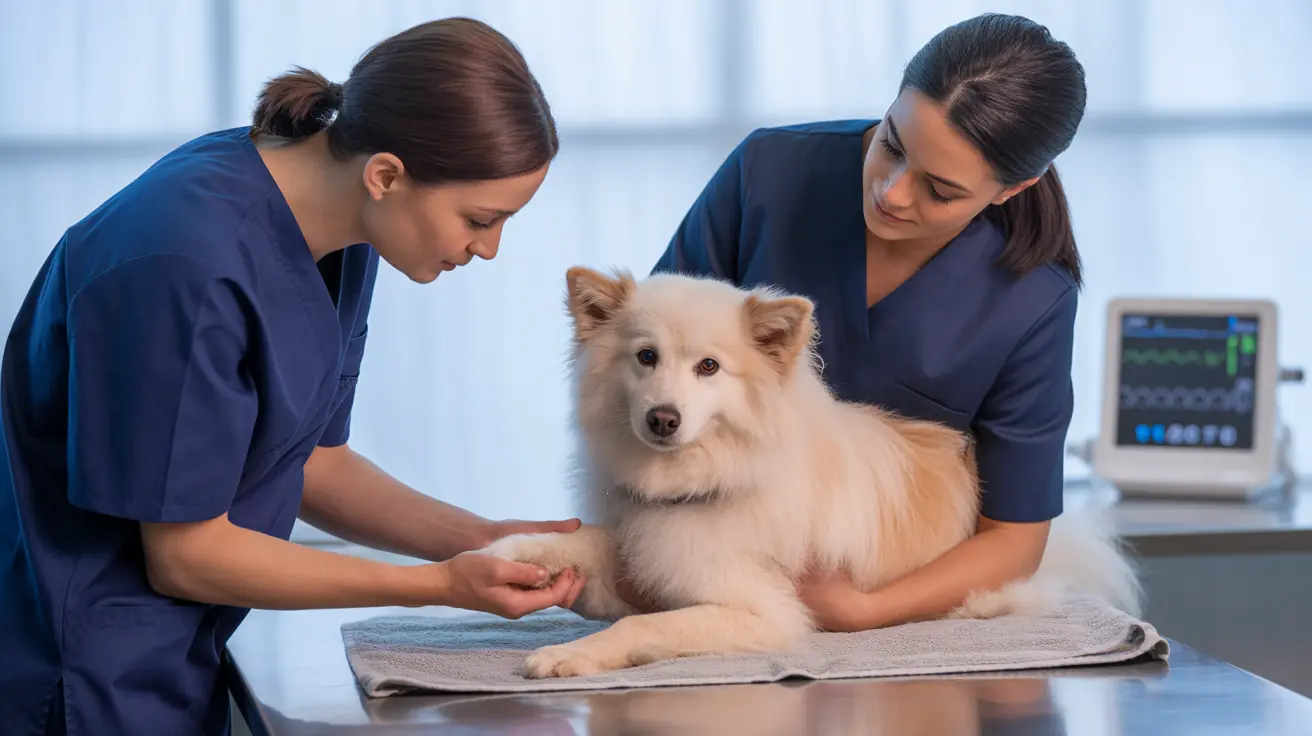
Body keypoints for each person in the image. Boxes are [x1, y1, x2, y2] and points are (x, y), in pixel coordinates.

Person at [0, 18, 586, 736]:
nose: (489, 249)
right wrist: (432, 588)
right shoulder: (183, 263)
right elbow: (187, 555)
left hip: (172, 656)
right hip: (81, 670)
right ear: (387, 174)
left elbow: (310, 462)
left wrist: (482, 539)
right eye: (480, 218)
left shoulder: (346, 230)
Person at [648, 13, 1087, 632]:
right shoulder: (767, 174)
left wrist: (862, 609)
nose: (893, 193)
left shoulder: (1032, 300)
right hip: (702, 550)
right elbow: (646, 361)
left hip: (887, 586)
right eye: (892, 144)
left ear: (1012, 189)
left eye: (939, 190)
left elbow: (1014, 538)